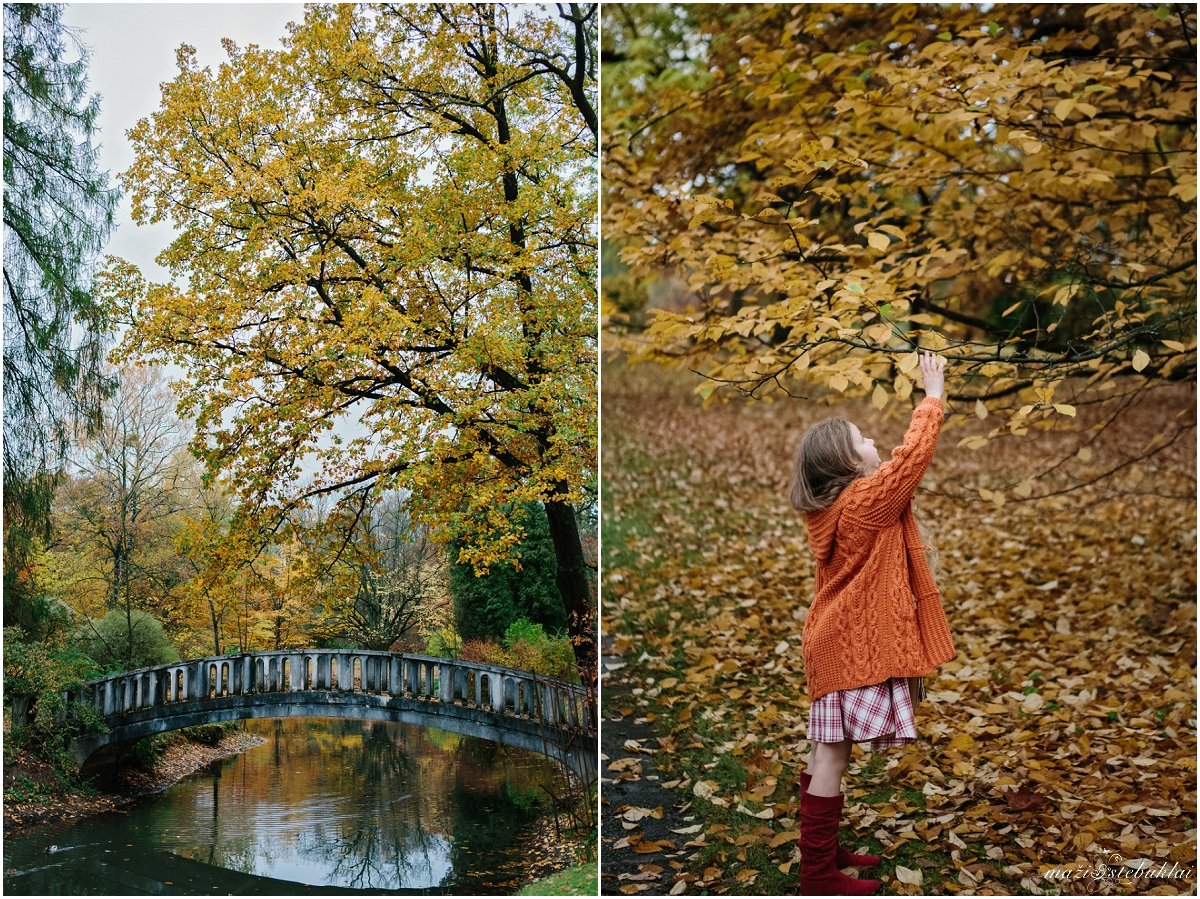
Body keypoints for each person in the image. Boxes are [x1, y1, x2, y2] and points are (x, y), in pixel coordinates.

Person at [789, 352, 957, 896]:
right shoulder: (863, 501)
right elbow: (912, 461)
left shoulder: (834, 507)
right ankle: (818, 876)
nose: (873, 446)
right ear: (845, 463)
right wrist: (931, 397)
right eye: (863, 442)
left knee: (824, 750)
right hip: (849, 643)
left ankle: (823, 850)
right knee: (834, 753)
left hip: (830, 638)